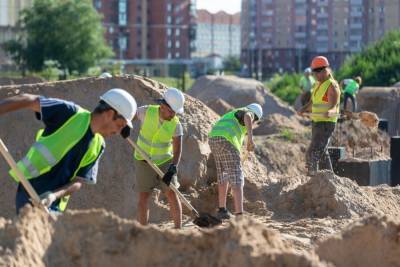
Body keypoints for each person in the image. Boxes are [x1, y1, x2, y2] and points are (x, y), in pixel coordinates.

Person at [0, 88, 137, 213]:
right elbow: (28, 99)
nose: (118, 132)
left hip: (54, 205)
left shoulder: (98, 145)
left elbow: (78, 181)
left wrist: (53, 196)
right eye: (120, 125)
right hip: (29, 191)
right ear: (109, 114)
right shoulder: (70, 113)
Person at [133, 88, 184, 229]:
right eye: (171, 111)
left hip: (164, 162)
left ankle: (178, 229)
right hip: (143, 160)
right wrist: (125, 125)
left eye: (175, 112)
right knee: (143, 196)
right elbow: (129, 116)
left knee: (172, 193)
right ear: (163, 106)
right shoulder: (145, 112)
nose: (173, 115)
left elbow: (177, 148)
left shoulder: (176, 124)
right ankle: (142, 231)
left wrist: (173, 167)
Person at [208, 103, 263, 219]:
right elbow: (248, 116)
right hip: (227, 141)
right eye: (255, 120)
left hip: (214, 139)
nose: (253, 122)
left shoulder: (233, 113)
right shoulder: (248, 112)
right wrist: (250, 140)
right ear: (256, 116)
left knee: (223, 175)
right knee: (237, 177)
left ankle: (222, 210)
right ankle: (239, 214)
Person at [298, 56, 341, 176]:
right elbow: (312, 103)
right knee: (323, 152)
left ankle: (312, 178)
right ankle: (330, 176)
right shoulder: (317, 85)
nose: (315, 75)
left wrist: (330, 112)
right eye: (314, 72)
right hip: (316, 122)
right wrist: (303, 109)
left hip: (326, 124)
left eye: (317, 72)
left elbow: (334, 106)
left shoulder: (332, 86)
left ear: (325, 70)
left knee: (313, 152)